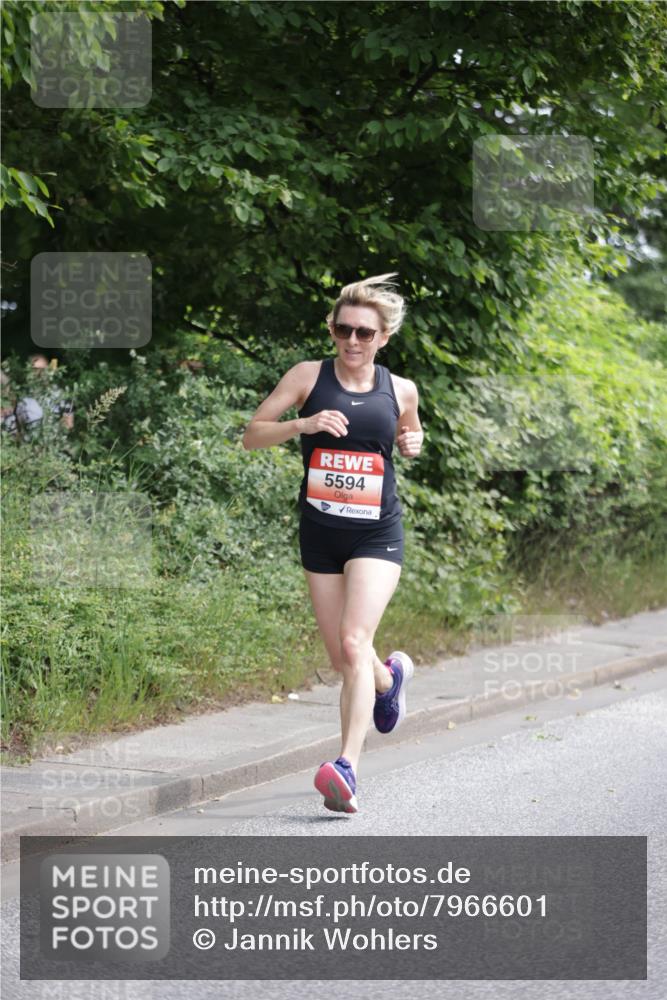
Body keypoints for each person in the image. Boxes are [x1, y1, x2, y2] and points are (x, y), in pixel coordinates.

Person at [242, 273, 424, 814]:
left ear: (383, 338)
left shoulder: (401, 388)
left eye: (364, 333)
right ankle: (389, 680)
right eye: (344, 329)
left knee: (352, 641)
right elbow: (252, 434)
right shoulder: (307, 376)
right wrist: (304, 423)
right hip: (320, 533)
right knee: (347, 658)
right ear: (332, 329)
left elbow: (409, 436)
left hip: (376, 531)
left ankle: (345, 768)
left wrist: (412, 442)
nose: (352, 340)